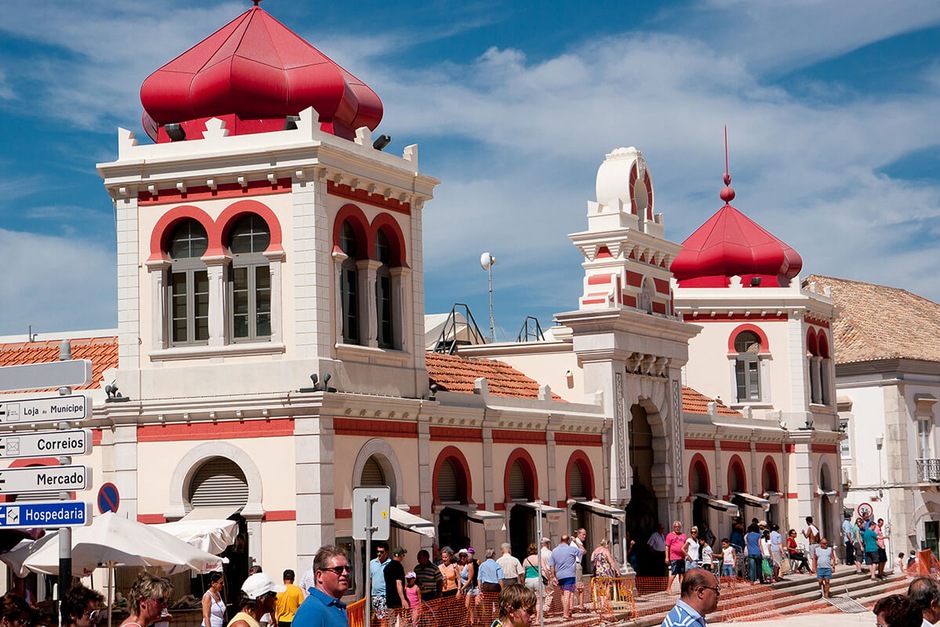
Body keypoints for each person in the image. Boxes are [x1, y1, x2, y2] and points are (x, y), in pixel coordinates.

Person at [293, 546, 351, 627]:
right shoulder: (311, 611)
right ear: (319, 575)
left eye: (347, 569)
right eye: (338, 569)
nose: (345, 573)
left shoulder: (333, 607)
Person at [549, 534, 585, 621]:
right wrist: (575, 541)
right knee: (567, 594)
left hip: (560, 575)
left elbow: (551, 566)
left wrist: (553, 576)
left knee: (563, 593)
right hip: (569, 574)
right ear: (568, 541)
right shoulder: (571, 549)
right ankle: (565, 614)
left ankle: (566, 611)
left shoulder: (554, 551)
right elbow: (583, 551)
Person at [591, 538, 618, 622]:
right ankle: (605, 605)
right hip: (606, 571)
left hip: (598, 572)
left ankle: (602, 604)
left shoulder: (595, 551)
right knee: (607, 588)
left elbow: (592, 560)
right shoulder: (605, 551)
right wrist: (616, 570)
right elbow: (611, 561)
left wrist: (596, 565)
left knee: (600, 588)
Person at [385, 547, 410, 624]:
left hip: (389, 600)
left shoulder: (387, 567)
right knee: (405, 622)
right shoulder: (398, 567)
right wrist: (403, 599)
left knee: (391, 622)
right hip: (398, 601)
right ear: (401, 555)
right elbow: (398, 583)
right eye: (403, 555)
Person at [369, 543, 391, 624]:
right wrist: (366, 595)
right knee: (376, 619)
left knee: (384, 619)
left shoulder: (390, 564)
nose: (379, 554)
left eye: (381, 552)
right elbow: (369, 579)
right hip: (374, 596)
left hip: (385, 595)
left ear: (386, 552)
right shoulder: (372, 563)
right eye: (378, 552)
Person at [458, 548, 480, 625]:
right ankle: (471, 619)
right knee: (467, 606)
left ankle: (476, 620)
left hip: (472, 588)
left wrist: (461, 589)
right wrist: (459, 589)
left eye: (464, 556)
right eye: (461, 556)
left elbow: (470, 579)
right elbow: (458, 579)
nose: (462, 558)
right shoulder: (458, 566)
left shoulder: (470, 565)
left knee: (476, 605)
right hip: (464, 589)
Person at [665, 521, 688, 593]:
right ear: (673, 527)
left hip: (682, 557)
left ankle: (682, 589)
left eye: (678, 527)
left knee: (682, 574)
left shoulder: (683, 535)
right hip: (674, 557)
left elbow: (686, 546)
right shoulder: (669, 535)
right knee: (674, 573)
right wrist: (667, 557)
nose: (677, 528)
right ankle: (668, 588)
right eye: (675, 527)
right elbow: (667, 547)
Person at [572, 528, 588, 612]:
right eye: (583, 534)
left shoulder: (577, 543)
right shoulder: (575, 543)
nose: (585, 536)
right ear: (578, 534)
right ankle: (581, 606)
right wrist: (576, 542)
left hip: (574, 565)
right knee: (580, 586)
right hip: (576, 565)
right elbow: (584, 551)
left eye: (585, 534)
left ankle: (573, 606)